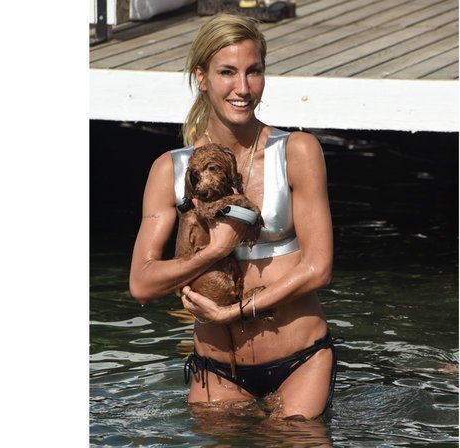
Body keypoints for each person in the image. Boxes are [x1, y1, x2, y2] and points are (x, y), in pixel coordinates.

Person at [129, 13, 336, 420]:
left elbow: (319, 268)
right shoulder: (169, 170)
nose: (243, 88)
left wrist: (232, 313)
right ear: (201, 77)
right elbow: (141, 283)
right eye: (227, 72)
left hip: (299, 360)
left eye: (253, 71)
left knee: (293, 439)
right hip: (216, 369)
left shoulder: (297, 151)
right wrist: (212, 253)